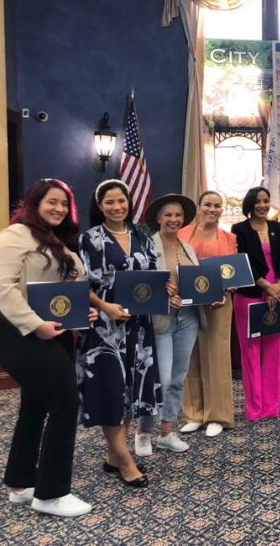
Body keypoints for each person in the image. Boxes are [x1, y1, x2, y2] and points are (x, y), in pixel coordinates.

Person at [0, 178, 94, 517]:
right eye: (52, 201)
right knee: (65, 404)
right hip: (18, 330)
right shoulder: (16, 235)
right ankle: (51, 494)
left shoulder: (57, 240)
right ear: (35, 202)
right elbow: (1, 286)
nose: (59, 208)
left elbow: (65, 290)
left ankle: (21, 483)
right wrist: (35, 325)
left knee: (34, 407)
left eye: (64, 203)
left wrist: (82, 312)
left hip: (55, 332)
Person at [79, 179, 166, 489]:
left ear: (129, 202)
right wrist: (105, 306)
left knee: (129, 392)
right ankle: (127, 463)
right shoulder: (90, 238)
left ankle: (114, 455)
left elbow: (153, 276)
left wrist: (165, 288)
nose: (117, 207)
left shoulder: (142, 235)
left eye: (121, 201)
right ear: (99, 206)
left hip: (139, 327)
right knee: (111, 390)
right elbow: (82, 285)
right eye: (109, 202)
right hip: (105, 328)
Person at [135, 193, 204, 454]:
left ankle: (166, 432)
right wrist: (163, 296)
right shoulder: (146, 248)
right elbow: (139, 287)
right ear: (159, 218)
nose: (173, 219)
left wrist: (211, 296)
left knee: (177, 378)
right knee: (159, 380)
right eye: (168, 215)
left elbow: (197, 283)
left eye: (178, 215)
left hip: (188, 318)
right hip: (160, 321)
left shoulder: (188, 248)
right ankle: (143, 432)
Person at [178, 190, 237, 437]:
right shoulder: (182, 234)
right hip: (187, 302)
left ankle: (217, 416)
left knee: (216, 356)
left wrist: (224, 291)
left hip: (219, 302)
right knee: (189, 356)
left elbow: (233, 271)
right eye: (208, 205)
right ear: (198, 207)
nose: (213, 209)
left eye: (217, 205)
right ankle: (194, 413)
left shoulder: (229, 238)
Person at [231, 186, 280, 419]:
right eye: (258, 201)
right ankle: (255, 408)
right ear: (250, 204)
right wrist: (267, 286)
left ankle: (271, 407)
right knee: (251, 353)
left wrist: (278, 286)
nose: (262, 205)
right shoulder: (239, 230)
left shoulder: (277, 228)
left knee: (275, 352)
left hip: (278, 295)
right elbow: (243, 263)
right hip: (250, 295)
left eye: (266, 201)